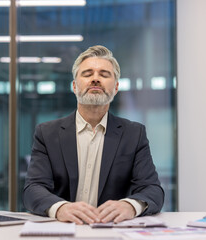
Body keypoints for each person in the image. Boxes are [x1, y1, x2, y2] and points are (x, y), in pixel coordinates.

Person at [23, 45, 164, 225]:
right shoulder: (47, 133)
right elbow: (32, 189)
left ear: (116, 88)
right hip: (63, 230)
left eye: (104, 75)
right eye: (87, 74)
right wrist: (60, 208)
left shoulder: (134, 133)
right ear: (74, 86)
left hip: (111, 230)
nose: (96, 79)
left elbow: (152, 189)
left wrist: (130, 205)